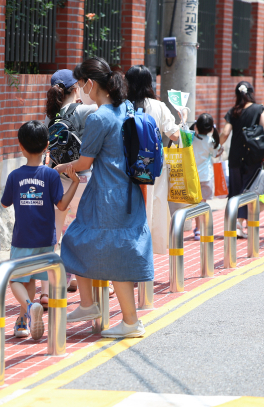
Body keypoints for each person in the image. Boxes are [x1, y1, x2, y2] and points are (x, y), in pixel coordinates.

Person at [55, 58, 154, 338]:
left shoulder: (99, 117)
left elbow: (85, 162)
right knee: (113, 251)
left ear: (89, 83)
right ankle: (100, 309)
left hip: (106, 195)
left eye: (81, 83)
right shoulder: (125, 107)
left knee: (75, 240)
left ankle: (112, 314)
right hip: (129, 191)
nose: (80, 89)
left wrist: (63, 167)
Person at [1, 120, 79, 340]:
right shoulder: (51, 175)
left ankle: (28, 306)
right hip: (45, 240)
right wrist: (74, 182)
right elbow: (62, 205)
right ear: (47, 145)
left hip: (22, 239)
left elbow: (5, 203)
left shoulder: (15, 176)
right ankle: (23, 320)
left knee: (17, 281)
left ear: (20, 145)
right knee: (33, 280)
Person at [43, 69, 98, 301]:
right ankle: (81, 281)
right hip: (82, 180)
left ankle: (47, 291)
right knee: (80, 233)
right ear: (76, 88)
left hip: (57, 179)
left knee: (54, 235)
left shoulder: (49, 117)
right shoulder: (86, 110)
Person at [125, 65, 186, 255]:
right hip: (152, 168)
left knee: (127, 211)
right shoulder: (158, 106)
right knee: (152, 209)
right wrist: (183, 119)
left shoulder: (121, 105)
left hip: (126, 165)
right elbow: (176, 136)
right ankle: (144, 257)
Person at [219, 81, 264, 238]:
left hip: (235, 156)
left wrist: (216, 145)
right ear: (251, 93)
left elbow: (226, 132)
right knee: (249, 189)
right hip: (253, 155)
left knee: (236, 190)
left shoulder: (234, 111)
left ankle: (236, 222)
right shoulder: (259, 109)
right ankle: (239, 223)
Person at [190, 113, 222, 240]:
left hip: (193, 176)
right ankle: (202, 228)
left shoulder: (192, 139)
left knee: (197, 203)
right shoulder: (211, 141)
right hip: (206, 177)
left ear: (197, 126)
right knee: (203, 203)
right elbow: (216, 153)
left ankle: (198, 228)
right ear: (211, 128)